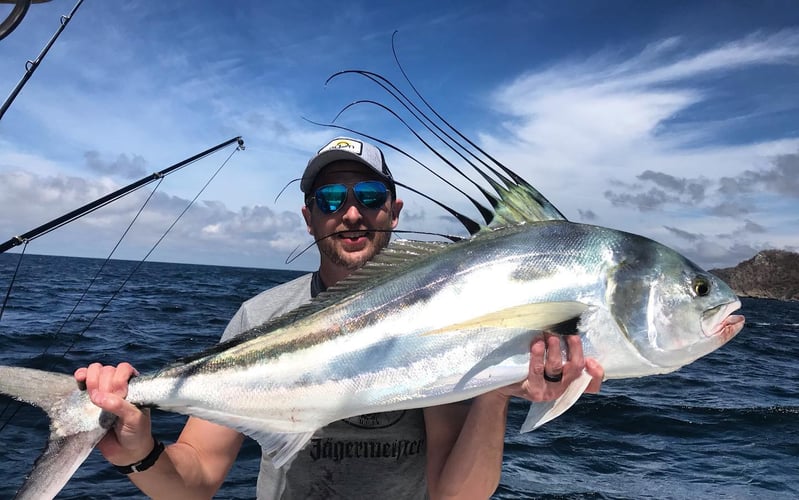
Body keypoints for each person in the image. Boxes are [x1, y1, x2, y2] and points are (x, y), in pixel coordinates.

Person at [75, 136, 605, 499]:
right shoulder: (260, 315)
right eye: (330, 199)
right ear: (309, 218)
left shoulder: (454, 317)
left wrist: (494, 391)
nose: (351, 213)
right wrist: (138, 451)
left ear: (394, 212)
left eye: (370, 197)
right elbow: (197, 478)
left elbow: (455, 494)